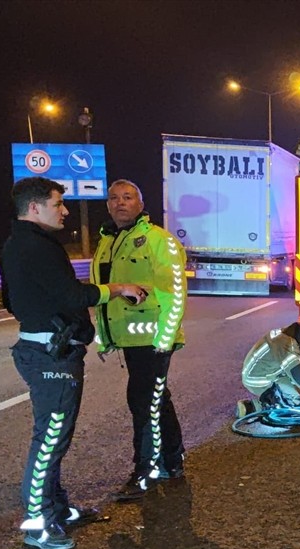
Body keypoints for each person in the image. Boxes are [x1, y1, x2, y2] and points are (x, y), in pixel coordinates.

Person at [0, 177, 148, 549]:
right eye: (57, 204)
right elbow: (71, 293)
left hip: (45, 349)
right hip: (51, 355)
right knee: (50, 440)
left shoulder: (18, 244)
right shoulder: (36, 247)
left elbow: (11, 302)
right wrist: (118, 288)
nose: (64, 210)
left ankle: (57, 508)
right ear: (35, 208)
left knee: (55, 438)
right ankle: (37, 524)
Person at [91, 179, 189, 500]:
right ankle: (173, 459)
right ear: (107, 205)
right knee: (157, 397)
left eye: (128, 197)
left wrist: (165, 336)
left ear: (140, 203)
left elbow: (174, 294)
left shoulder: (158, 241)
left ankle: (145, 470)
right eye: (114, 198)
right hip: (130, 340)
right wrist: (106, 338)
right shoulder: (107, 242)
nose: (120, 202)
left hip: (154, 339)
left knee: (143, 400)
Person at [238, 319, 300, 416]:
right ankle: (253, 407)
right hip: (258, 379)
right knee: (294, 406)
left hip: (272, 372)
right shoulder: (286, 345)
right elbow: (299, 375)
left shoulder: (291, 336)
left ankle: (276, 397)